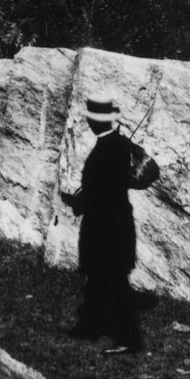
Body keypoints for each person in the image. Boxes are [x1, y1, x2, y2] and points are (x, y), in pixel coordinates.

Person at [61, 92, 143, 355]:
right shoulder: (117, 145)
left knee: (116, 283)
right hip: (113, 224)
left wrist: (79, 203)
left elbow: (103, 192)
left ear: (97, 122)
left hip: (108, 227)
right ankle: (90, 326)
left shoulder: (109, 149)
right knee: (97, 279)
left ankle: (131, 340)